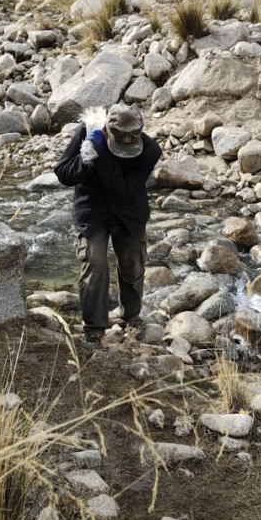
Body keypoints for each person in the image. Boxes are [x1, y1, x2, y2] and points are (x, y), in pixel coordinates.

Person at [54, 104, 162, 348]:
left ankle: (131, 317)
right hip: (93, 211)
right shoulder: (88, 130)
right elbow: (63, 173)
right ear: (106, 131)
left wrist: (101, 156)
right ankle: (93, 329)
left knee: (133, 265)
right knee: (95, 262)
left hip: (129, 213)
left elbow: (123, 192)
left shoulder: (150, 150)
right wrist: (86, 156)